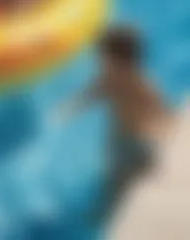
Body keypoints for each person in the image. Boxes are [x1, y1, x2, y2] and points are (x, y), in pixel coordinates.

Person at [56, 26, 172, 223]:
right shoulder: (112, 79)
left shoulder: (141, 83)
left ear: (117, 60)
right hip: (122, 138)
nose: (98, 61)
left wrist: (161, 127)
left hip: (136, 140)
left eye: (102, 57)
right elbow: (91, 94)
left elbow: (160, 108)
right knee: (121, 175)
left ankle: (110, 212)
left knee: (122, 177)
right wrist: (70, 108)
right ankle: (115, 205)